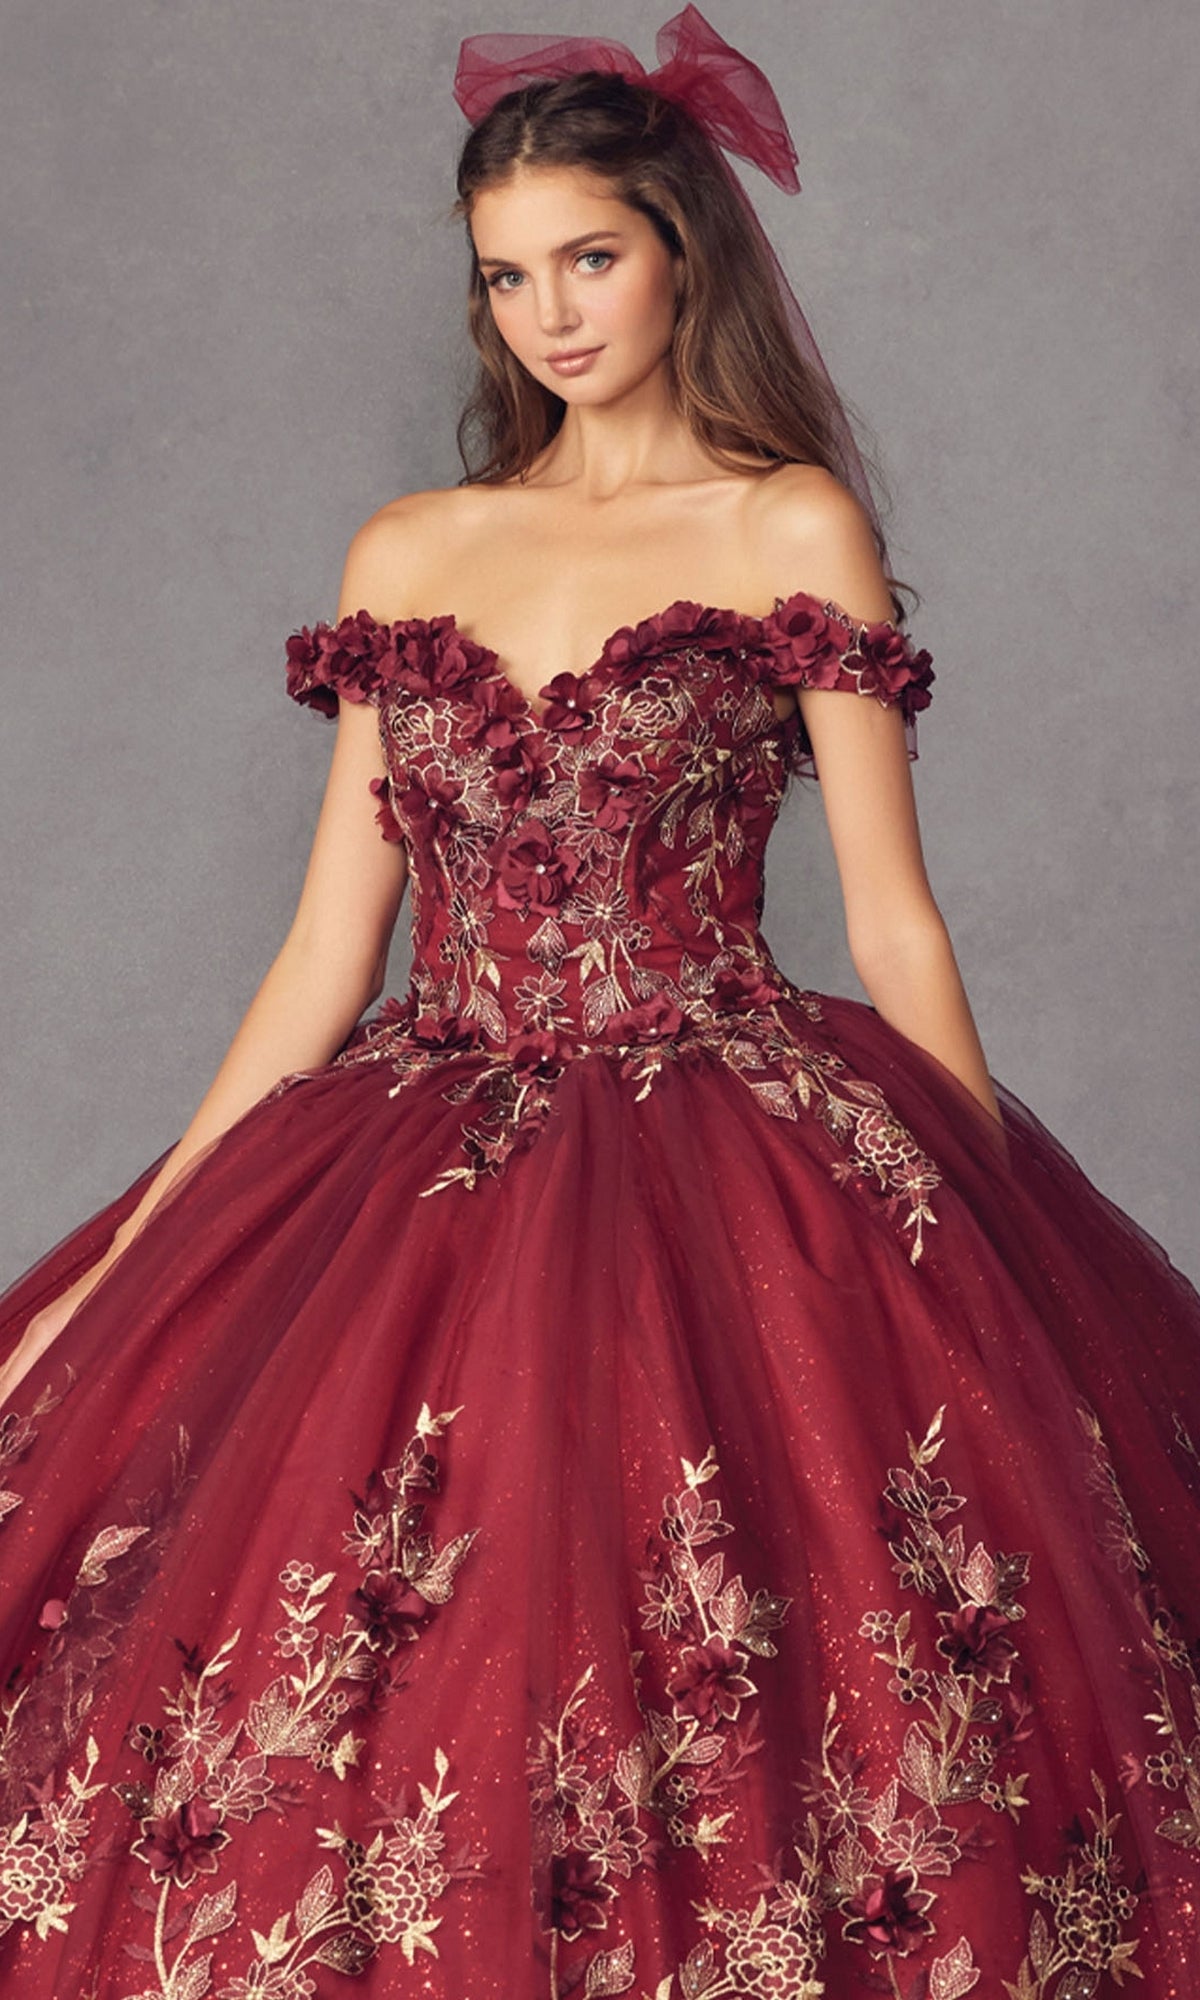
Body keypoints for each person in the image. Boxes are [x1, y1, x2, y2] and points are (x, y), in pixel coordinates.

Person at [1, 9, 1197, 1995]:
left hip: (732, 1143)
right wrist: (143, 1243)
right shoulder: (413, 550)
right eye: (506, 273)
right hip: (423, 1156)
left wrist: (1003, 1250)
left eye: (591, 258)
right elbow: (326, 952)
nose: (550, 313)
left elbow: (896, 925)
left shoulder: (784, 523)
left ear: (679, 250)